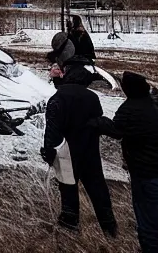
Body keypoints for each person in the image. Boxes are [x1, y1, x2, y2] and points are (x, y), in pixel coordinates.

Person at [41, 32, 117, 236]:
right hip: (90, 152)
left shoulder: (57, 100)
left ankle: (70, 222)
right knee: (98, 190)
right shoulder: (92, 98)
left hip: (68, 153)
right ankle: (109, 228)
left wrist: (48, 150)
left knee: (68, 188)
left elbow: (53, 132)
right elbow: (99, 121)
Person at [89, 72, 158, 253]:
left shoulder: (130, 108)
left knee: (148, 220)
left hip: (146, 174)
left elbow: (116, 130)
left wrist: (97, 121)